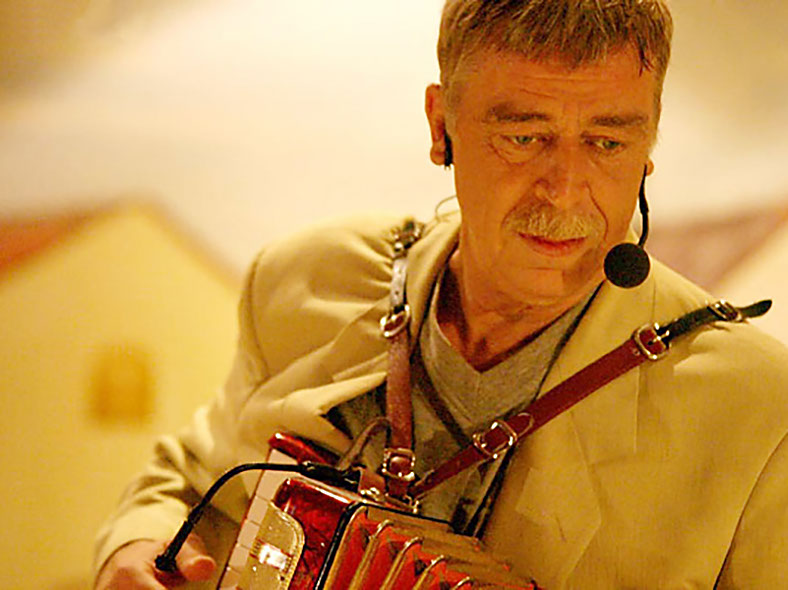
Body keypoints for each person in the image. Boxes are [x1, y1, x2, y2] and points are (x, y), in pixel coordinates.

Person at [94, 1, 788, 588]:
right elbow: (189, 476)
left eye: (607, 143)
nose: (564, 191)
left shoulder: (756, 414)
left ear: (649, 145)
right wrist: (135, 544)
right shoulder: (309, 278)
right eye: (524, 136)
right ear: (441, 125)